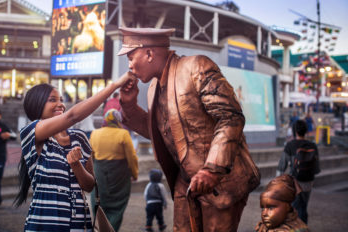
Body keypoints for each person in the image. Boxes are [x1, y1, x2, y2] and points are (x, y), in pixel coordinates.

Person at [118, 27, 260, 231]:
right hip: (185, 183)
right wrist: (130, 107)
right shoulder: (153, 88)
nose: (130, 66)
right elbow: (159, 134)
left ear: (149, 53)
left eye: (131, 57)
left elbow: (230, 116)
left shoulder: (196, 67)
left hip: (220, 182)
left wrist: (212, 168)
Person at [14, 72, 134, 231]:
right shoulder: (32, 134)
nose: (60, 105)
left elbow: (89, 186)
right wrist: (115, 85)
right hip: (45, 225)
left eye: (61, 100)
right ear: (37, 105)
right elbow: (73, 116)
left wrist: (76, 165)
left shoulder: (80, 138)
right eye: (52, 100)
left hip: (78, 225)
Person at [89, 108, 138, 231]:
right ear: (118, 120)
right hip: (119, 175)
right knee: (117, 205)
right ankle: (112, 228)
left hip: (99, 172)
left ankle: (99, 228)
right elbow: (131, 157)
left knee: (99, 203)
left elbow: (90, 156)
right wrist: (134, 174)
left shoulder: (95, 133)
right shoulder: (123, 134)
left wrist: (91, 173)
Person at [277, 120, 320, 224]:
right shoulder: (313, 145)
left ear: (294, 132)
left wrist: (278, 181)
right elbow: (317, 168)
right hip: (308, 182)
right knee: (304, 206)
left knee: (295, 208)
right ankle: (303, 227)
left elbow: (282, 165)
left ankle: (296, 228)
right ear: (305, 131)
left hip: (295, 182)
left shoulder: (290, 145)